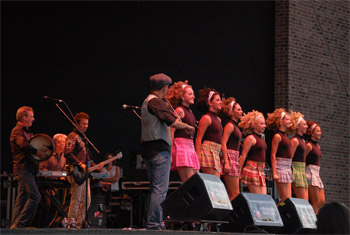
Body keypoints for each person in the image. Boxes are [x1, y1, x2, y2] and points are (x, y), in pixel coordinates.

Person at [141, 73, 194, 230]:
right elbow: (171, 121)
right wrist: (187, 126)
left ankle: (154, 222)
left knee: (155, 189)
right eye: (167, 88)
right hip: (158, 150)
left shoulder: (149, 101)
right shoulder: (155, 101)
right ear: (164, 88)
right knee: (160, 190)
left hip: (149, 149)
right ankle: (154, 224)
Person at [10, 106, 46, 228]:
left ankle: (13, 228)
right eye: (31, 116)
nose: (33, 119)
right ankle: (19, 225)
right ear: (24, 117)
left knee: (21, 200)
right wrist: (37, 152)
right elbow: (23, 145)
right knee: (35, 196)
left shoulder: (27, 132)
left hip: (28, 169)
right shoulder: (17, 131)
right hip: (23, 169)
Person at [64, 112, 103, 228]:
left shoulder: (83, 138)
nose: (86, 126)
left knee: (87, 200)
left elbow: (88, 159)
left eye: (87, 124)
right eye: (83, 124)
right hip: (76, 172)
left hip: (84, 173)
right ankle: (72, 224)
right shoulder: (72, 136)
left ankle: (79, 224)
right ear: (76, 124)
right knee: (76, 199)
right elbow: (67, 153)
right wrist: (80, 164)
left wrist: (96, 165)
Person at [166, 80, 199, 183]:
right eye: (190, 94)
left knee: (196, 182)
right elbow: (171, 131)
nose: (193, 96)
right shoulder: (180, 110)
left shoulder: (190, 112)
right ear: (182, 97)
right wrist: (171, 152)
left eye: (193, 94)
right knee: (189, 183)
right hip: (182, 147)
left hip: (190, 147)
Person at [36, 133, 68, 227]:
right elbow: (42, 169)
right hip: (46, 185)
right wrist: (55, 175)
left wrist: (63, 175)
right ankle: (42, 227)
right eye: (64, 142)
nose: (66, 145)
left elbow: (64, 170)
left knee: (57, 207)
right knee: (47, 205)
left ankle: (52, 227)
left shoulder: (64, 156)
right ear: (57, 143)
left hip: (57, 186)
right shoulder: (48, 154)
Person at [266, 108, 292, 204]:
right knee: (285, 199)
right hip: (280, 167)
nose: (289, 121)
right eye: (287, 119)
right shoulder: (277, 136)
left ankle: (281, 210)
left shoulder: (286, 136)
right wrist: (275, 172)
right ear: (281, 121)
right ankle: (278, 209)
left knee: (288, 199)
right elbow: (273, 155)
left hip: (287, 168)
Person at [195, 88, 223, 178]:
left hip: (216, 152)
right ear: (210, 102)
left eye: (220, 100)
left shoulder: (218, 119)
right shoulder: (206, 118)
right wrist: (197, 157)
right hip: (208, 152)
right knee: (213, 183)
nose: (220, 102)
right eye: (217, 100)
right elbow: (198, 138)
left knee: (216, 183)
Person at [238, 110, 267, 194]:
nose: (264, 126)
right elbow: (243, 155)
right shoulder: (251, 138)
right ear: (254, 125)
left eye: (264, 124)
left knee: (264, 198)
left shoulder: (261, 139)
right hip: (252, 169)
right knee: (258, 198)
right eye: (261, 124)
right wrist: (238, 171)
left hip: (260, 170)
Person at [220, 97, 243, 200]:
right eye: (238, 109)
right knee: (234, 193)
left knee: (235, 193)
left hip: (234, 158)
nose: (241, 111)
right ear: (231, 112)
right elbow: (223, 143)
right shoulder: (230, 125)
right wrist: (226, 161)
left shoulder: (236, 126)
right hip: (230, 157)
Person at [287, 111, 308, 200]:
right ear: (298, 126)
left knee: (306, 201)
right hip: (296, 170)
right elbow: (290, 157)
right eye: (304, 124)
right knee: (303, 201)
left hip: (302, 170)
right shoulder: (295, 140)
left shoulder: (302, 141)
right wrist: (290, 171)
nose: (306, 127)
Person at [305, 120, 325, 214]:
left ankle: (312, 214)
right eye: (317, 131)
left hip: (317, 172)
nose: (320, 133)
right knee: (315, 202)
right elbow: (302, 158)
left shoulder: (318, 146)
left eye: (320, 131)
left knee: (322, 201)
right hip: (310, 172)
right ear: (312, 133)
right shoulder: (309, 145)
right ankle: (314, 223)